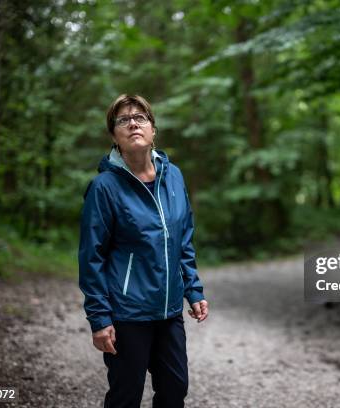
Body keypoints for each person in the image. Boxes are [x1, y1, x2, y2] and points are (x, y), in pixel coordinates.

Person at [78, 94, 209, 408]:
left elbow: (183, 239)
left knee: (175, 390)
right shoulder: (104, 187)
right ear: (114, 136)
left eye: (140, 117)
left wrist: (192, 288)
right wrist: (99, 318)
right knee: (126, 395)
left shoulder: (173, 176)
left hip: (168, 310)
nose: (133, 123)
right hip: (127, 313)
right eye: (123, 120)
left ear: (153, 130)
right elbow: (91, 257)